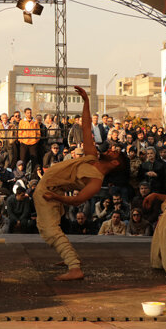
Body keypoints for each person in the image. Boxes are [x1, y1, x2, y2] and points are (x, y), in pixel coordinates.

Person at [33, 86, 125, 281]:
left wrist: (54, 197)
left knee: (50, 230)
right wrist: (85, 101)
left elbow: (76, 201)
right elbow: (85, 126)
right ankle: (69, 257)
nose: (110, 149)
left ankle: (74, 267)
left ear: (115, 163)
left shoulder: (95, 181)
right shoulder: (92, 155)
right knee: (48, 228)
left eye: (114, 152)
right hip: (51, 188)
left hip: (49, 190)